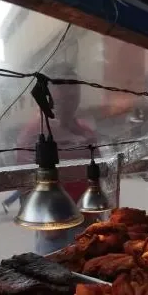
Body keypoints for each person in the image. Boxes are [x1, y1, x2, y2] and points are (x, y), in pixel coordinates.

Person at [11, 63, 98, 255]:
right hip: (56, 231)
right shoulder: (35, 132)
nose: (70, 100)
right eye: (64, 95)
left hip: (87, 224)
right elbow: (25, 184)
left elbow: (97, 175)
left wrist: (95, 214)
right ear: (50, 95)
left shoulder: (86, 131)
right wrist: (50, 226)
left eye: (75, 94)